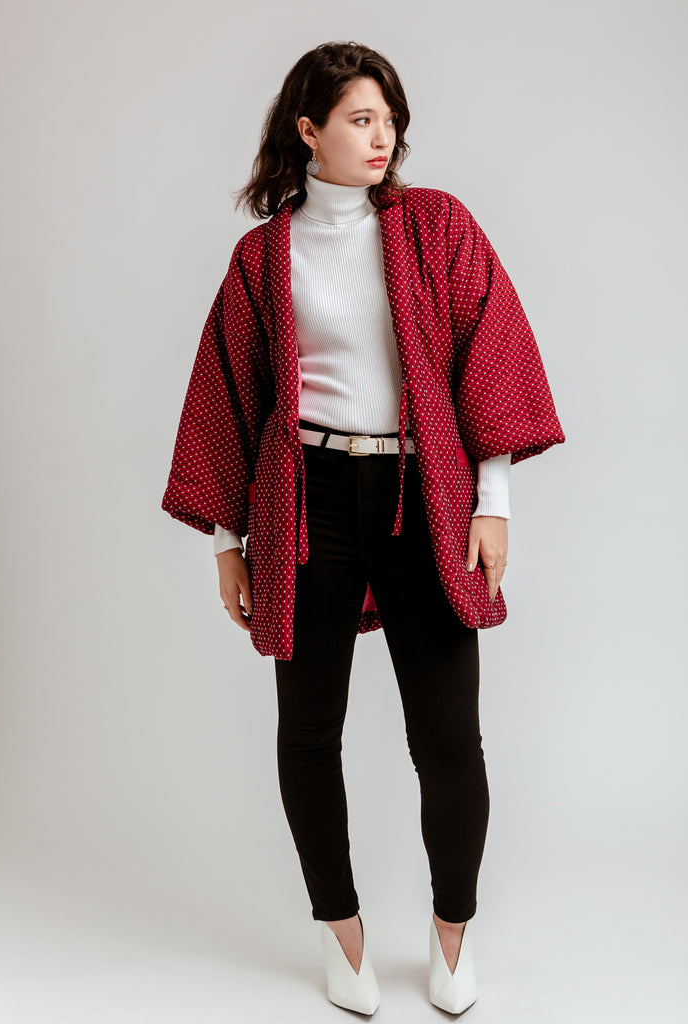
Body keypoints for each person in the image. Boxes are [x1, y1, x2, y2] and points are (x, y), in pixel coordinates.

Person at [161, 40, 565, 1016]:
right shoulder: (264, 256)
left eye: (389, 119)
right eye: (360, 118)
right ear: (309, 130)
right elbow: (231, 393)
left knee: (449, 734)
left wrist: (493, 502)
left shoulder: (437, 225)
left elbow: (489, 354)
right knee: (308, 730)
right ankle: (340, 934)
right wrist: (226, 540)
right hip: (303, 499)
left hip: (420, 493)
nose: (382, 137)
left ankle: (452, 932)